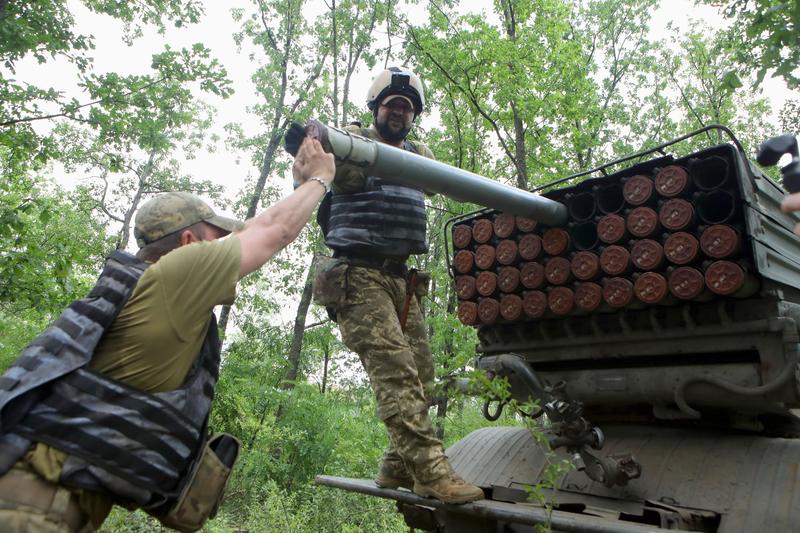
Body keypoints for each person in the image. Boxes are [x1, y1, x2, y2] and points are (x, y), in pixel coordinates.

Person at [0, 136, 334, 532]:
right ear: (190, 242)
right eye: (217, 237)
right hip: (31, 508)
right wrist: (321, 178)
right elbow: (273, 230)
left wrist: (297, 188)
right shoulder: (176, 274)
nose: (225, 246)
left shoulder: (142, 289)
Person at [319, 66, 484, 504]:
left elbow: (439, 183)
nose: (399, 113)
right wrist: (327, 142)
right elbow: (338, 172)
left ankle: (395, 466)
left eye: (407, 109)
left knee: (423, 377)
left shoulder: (416, 155)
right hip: (360, 275)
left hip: (403, 280)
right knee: (397, 374)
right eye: (392, 105)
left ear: (414, 118)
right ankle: (431, 473)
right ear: (376, 109)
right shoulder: (354, 145)